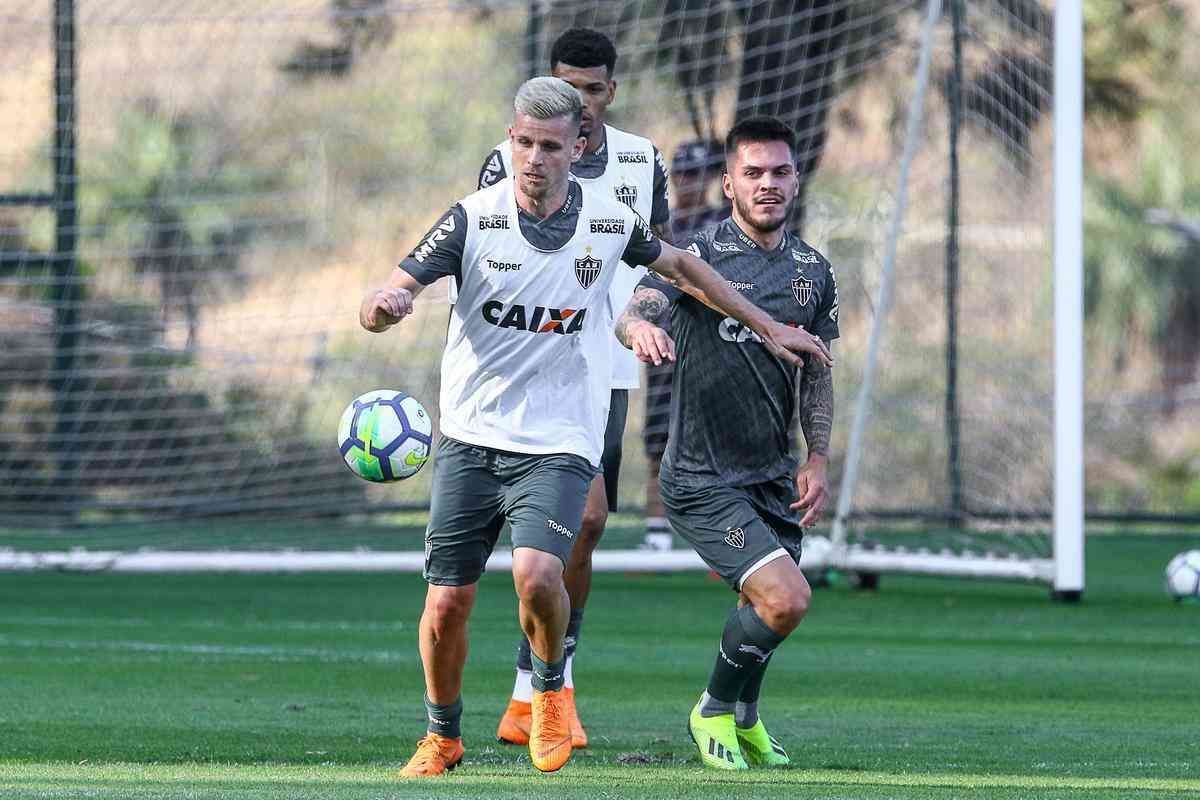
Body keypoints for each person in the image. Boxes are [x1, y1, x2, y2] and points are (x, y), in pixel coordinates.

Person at [361, 83, 831, 777]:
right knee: (446, 604)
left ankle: (548, 691)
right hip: (470, 434)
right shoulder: (470, 219)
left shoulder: (609, 222)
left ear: (577, 147)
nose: (535, 158)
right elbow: (385, 296)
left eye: (551, 146)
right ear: (511, 141)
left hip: (558, 436)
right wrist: (387, 303)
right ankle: (442, 735)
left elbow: (684, 268)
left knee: (537, 571)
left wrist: (766, 325)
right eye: (524, 143)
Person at [615, 116, 840, 770]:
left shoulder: (812, 272)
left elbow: (818, 371)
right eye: (753, 173)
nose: (766, 184)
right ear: (728, 183)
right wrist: (637, 333)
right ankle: (712, 707)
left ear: (795, 180)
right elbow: (637, 307)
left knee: (761, 605)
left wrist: (818, 456)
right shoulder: (697, 256)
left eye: (778, 172)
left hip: (773, 475)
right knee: (787, 597)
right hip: (700, 479)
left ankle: (745, 718)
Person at [480, 27, 672, 751]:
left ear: (611, 92)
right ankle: (535, 689)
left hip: (604, 370)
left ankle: (540, 688)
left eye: (593, 90)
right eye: (570, 87)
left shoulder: (641, 160)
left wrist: (638, 318)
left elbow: (661, 262)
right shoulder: (506, 160)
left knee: (586, 526)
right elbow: (483, 251)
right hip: (523, 365)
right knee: (543, 534)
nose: (582, 103)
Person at [643, 140, 729, 550]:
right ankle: (657, 536)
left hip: (711, 349)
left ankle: (722, 536)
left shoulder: (725, 226)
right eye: (683, 173)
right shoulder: (661, 225)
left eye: (699, 174)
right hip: (664, 343)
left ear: (714, 178)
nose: (689, 182)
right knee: (658, 439)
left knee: (717, 441)